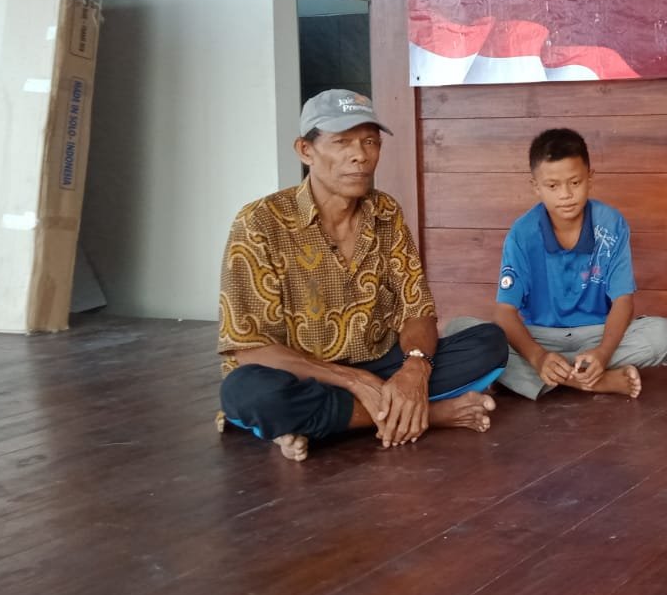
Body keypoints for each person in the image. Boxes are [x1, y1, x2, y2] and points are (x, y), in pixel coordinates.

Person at [216, 89, 508, 461]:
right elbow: (250, 349)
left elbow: (417, 309)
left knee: (489, 344)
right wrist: (355, 381)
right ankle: (430, 415)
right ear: (306, 151)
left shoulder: (385, 211)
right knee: (248, 393)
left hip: (380, 363)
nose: (361, 155)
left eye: (370, 141)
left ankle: (324, 420)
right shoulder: (259, 223)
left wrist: (416, 367)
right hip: (304, 374)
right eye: (342, 142)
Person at [445, 127, 667, 399]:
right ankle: (590, 381)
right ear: (536, 186)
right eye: (553, 186)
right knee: (459, 329)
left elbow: (623, 300)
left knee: (662, 334)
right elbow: (505, 312)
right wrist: (538, 356)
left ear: (590, 178)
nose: (565, 194)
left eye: (574, 183)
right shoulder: (522, 233)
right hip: (539, 338)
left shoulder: (611, 225)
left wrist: (603, 353)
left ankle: (543, 376)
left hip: (597, 334)